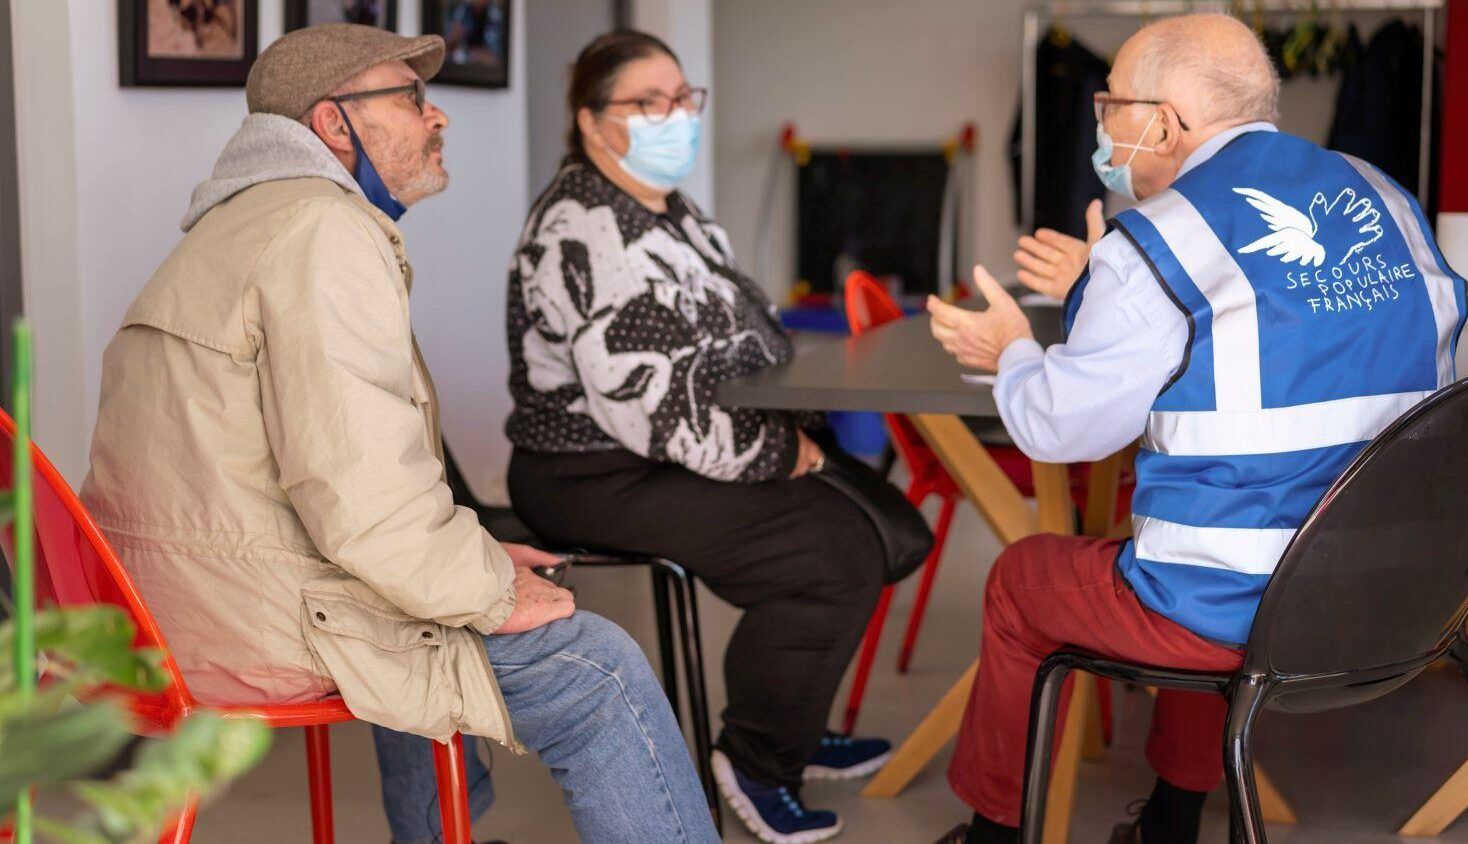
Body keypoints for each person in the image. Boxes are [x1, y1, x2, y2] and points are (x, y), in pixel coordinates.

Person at [80, 24, 717, 844]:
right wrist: (488, 588)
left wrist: (470, 560)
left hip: (163, 610)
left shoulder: (243, 224)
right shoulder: (321, 234)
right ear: (334, 123)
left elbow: (336, 494)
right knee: (597, 669)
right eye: (412, 97)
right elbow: (362, 500)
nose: (436, 116)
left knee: (419, 595)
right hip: (245, 621)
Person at [927, 13, 1465, 844]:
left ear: (1166, 123)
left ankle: (993, 833)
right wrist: (1101, 284)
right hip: (1405, 597)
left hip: (1245, 610)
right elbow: (1276, 324)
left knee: (1030, 579)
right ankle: (1169, 822)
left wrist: (1010, 352)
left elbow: (1055, 426)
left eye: (1111, 103)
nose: (1101, 123)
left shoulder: (1160, 238)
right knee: (1201, 546)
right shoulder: (1382, 192)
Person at [505, 29, 895, 844]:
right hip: (593, 471)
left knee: (889, 522)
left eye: (682, 98)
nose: (675, 116)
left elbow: (746, 330)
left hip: (672, 447)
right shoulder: (585, 226)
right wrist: (779, 452)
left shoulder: (670, 211)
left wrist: (787, 423)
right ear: (591, 122)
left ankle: (789, 717)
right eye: (649, 102)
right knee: (834, 554)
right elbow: (650, 407)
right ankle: (758, 759)